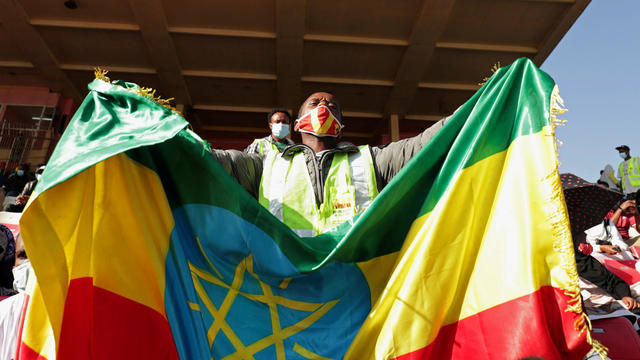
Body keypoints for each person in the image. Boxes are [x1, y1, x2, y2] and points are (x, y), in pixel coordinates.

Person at [211, 92, 450, 236]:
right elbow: (216, 162)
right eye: (315, 103)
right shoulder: (266, 165)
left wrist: (483, 103)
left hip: (353, 295)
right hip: (285, 294)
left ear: (340, 126)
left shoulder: (371, 160)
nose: (324, 107)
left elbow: (425, 144)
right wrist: (175, 135)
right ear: (297, 125)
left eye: (332, 106)